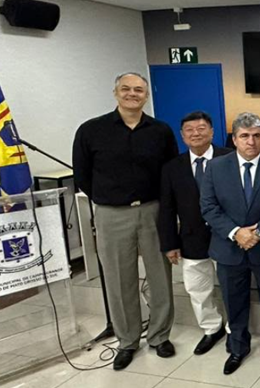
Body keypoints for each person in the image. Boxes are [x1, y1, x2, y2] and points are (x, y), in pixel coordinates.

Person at [72, 72, 177, 371]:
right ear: (115, 92)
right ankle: (128, 341)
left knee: (160, 276)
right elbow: (82, 176)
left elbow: (170, 173)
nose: (133, 94)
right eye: (126, 89)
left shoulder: (161, 130)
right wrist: (110, 198)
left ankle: (159, 336)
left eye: (139, 90)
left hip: (153, 210)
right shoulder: (91, 130)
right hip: (111, 213)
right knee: (119, 279)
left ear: (146, 96)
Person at [200, 112, 260, 375]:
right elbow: (208, 206)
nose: (251, 141)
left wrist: (258, 231)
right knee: (233, 300)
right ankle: (238, 346)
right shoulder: (215, 167)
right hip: (229, 248)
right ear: (234, 139)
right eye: (245, 136)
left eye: (257, 136)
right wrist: (236, 232)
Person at [158, 111, 229, 356]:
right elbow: (166, 209)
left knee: (232, 287)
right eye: (189, 130)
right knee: (198, 289)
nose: (195, 133)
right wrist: (169, 243)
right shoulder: (171, 168)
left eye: (201, 128)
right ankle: (211, 328)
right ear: (182, 135)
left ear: (212, 132)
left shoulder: (230, 157)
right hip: (191, 238)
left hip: (227, 236)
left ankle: (234, 330)